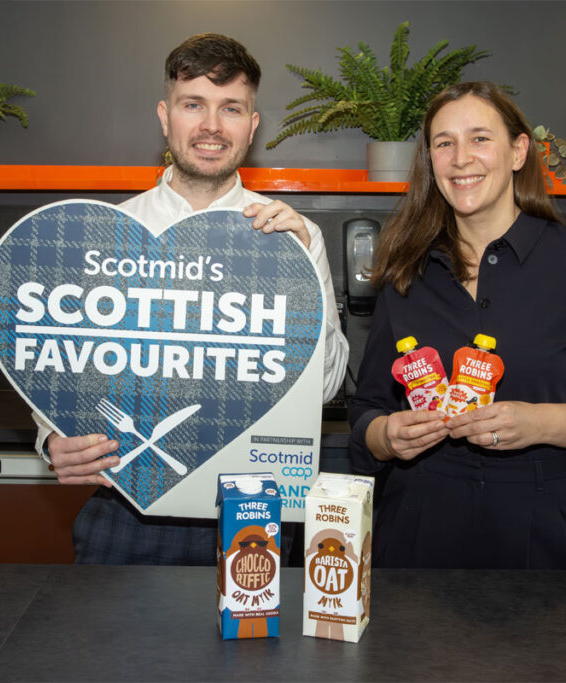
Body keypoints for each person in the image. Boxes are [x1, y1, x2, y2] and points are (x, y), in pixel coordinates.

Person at [32, 33, 349, 564]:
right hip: (129, 513)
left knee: (254, 653)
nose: (210, 126)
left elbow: (325, 388)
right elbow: (60, 365)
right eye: (192, 105)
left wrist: (298, 278)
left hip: (250, 511)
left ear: (252, 124)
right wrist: (49, 443)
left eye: (230, 108)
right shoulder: (106, 235)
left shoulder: (293, 238)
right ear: (165, 116)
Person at [349, 81, 566, 569]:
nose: (461, 158)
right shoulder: (407, 270)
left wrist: (541, 423)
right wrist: (387, 436)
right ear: (432, 163)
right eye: (444, 143)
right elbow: (367, 410)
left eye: (479, 139)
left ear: (518, 151)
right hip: (418, 542)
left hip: (543, 547)